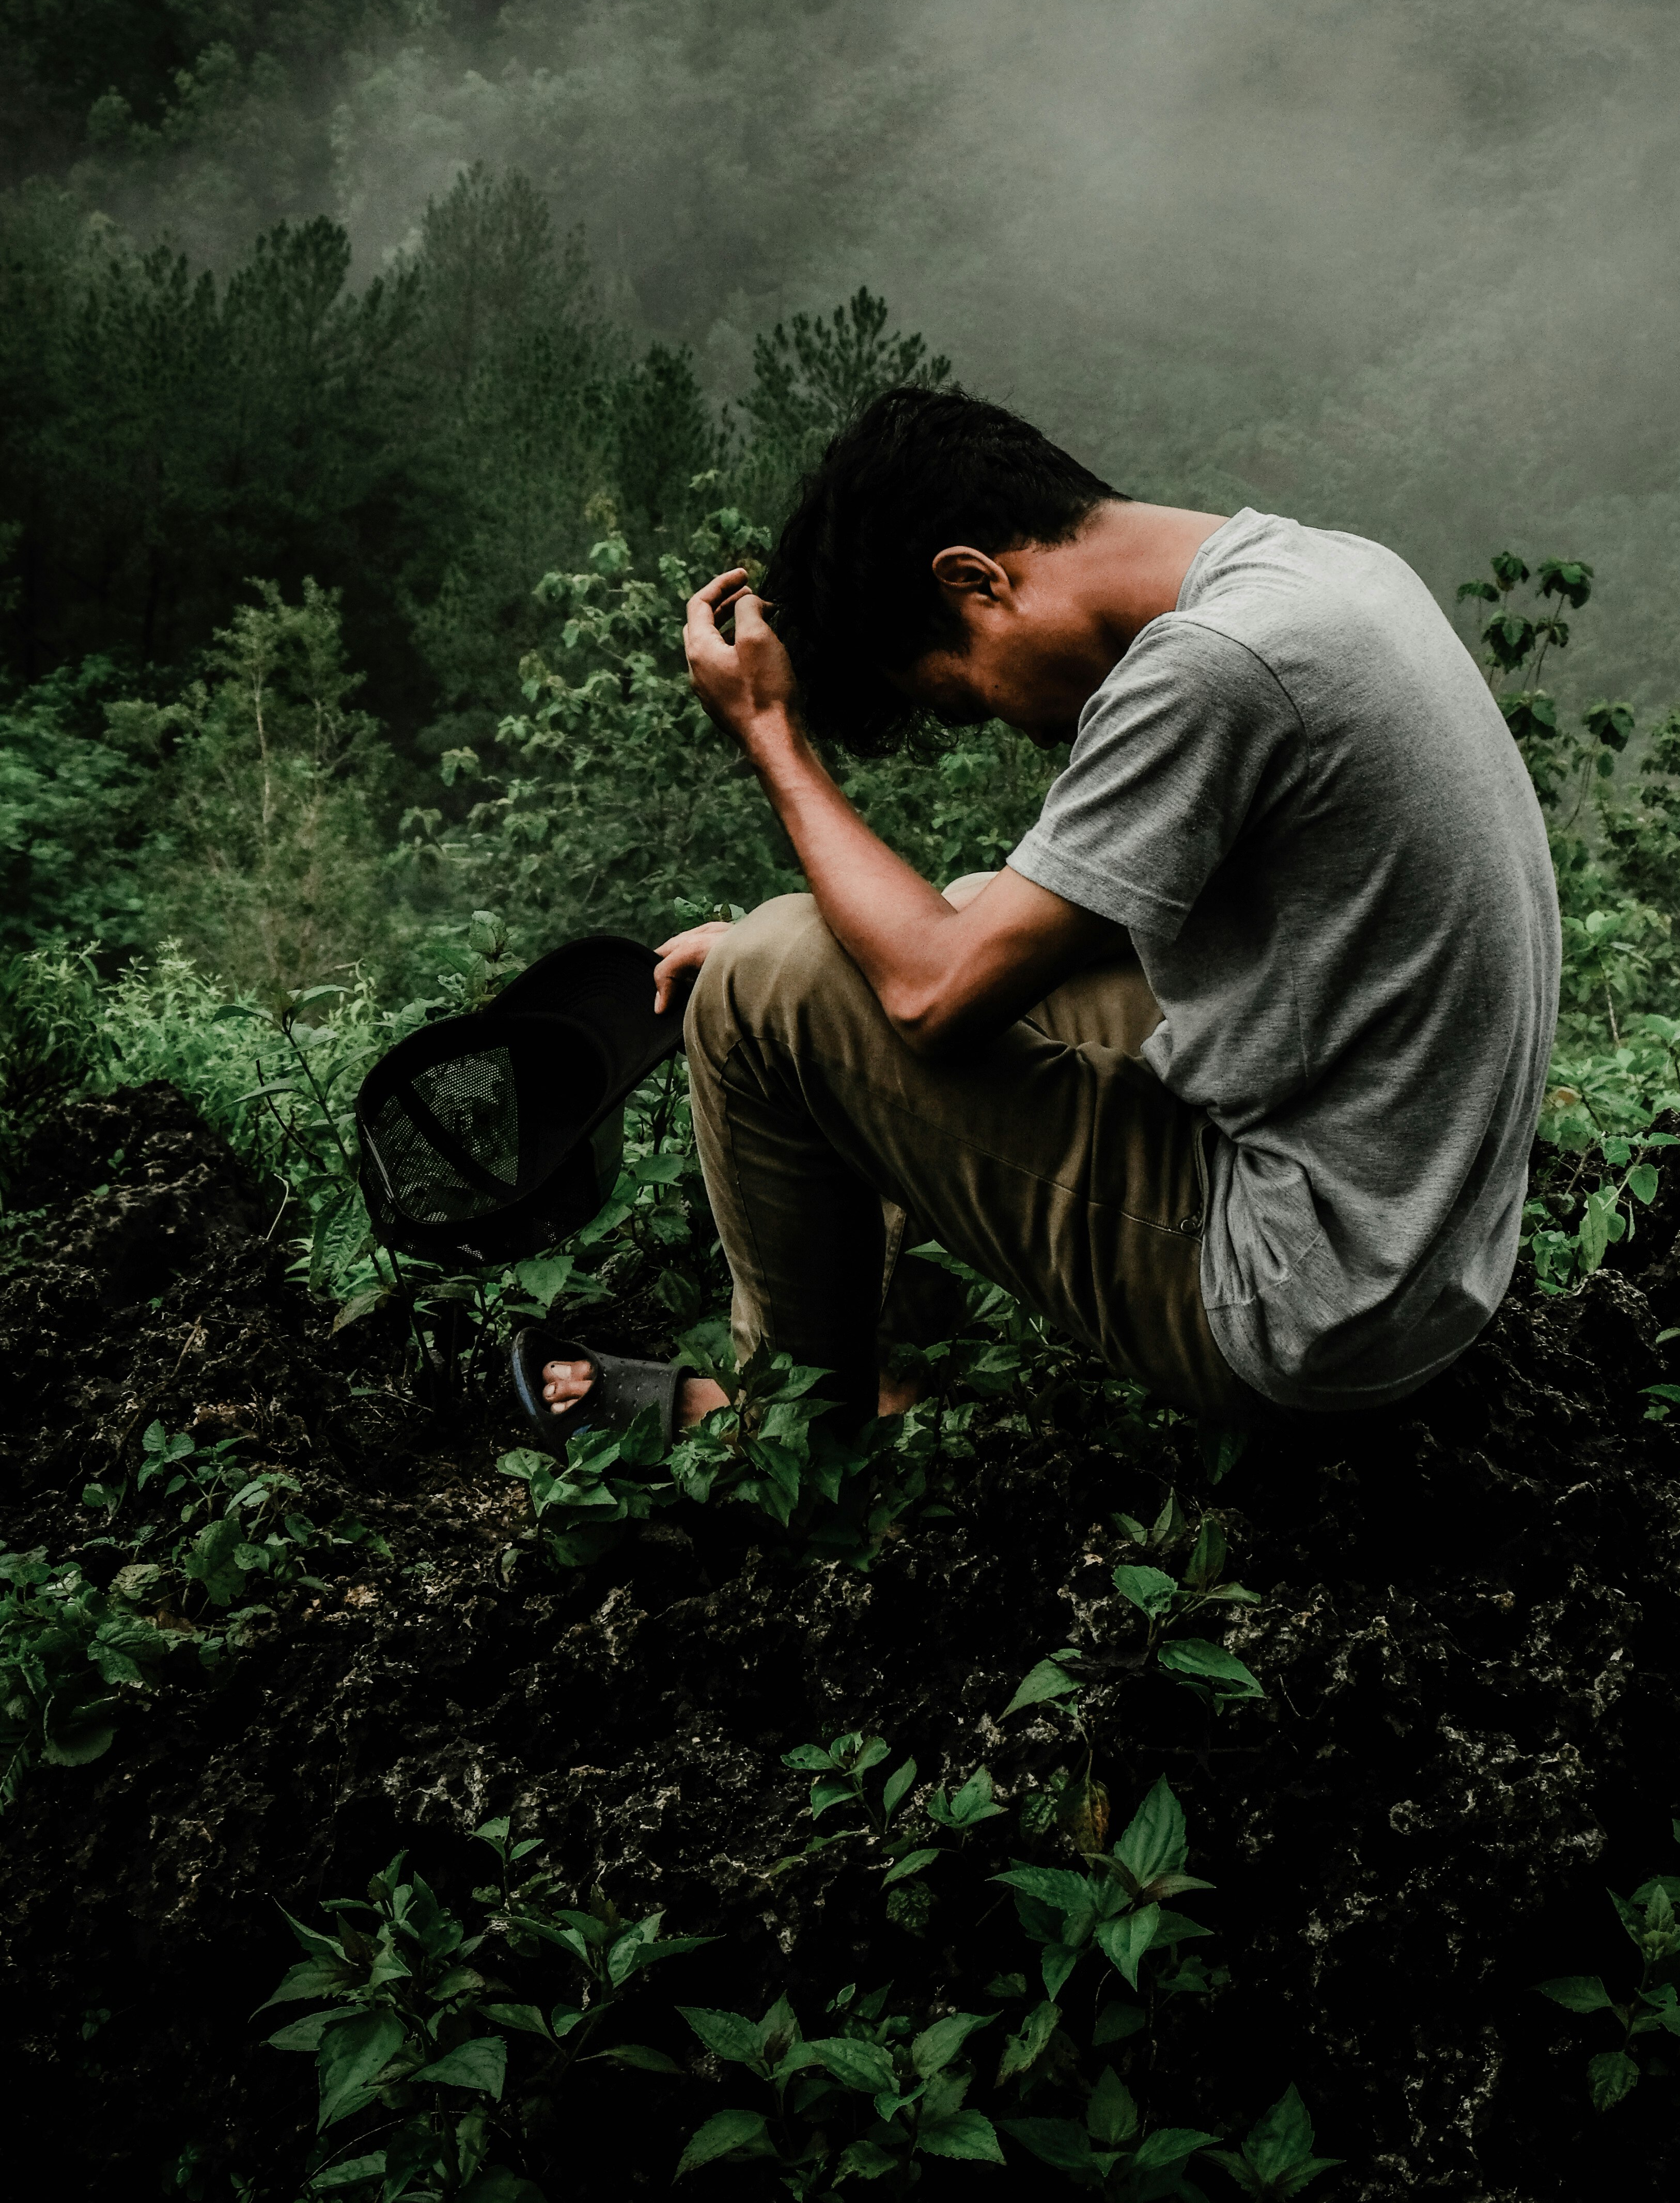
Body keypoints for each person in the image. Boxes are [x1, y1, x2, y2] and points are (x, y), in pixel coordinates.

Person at [540, 385, 1559, 1439]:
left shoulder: (1209, 673)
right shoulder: (1325, 572)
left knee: (773, 977)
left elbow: (935, 995)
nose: (1007, 728)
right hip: (1420, 1257)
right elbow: (1032, 928)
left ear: (975, 580)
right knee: (949, 917)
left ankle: (788, 1435)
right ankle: (880, 1351)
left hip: (1305, 1296)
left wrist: (770, 736)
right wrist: (839, 960)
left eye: (966, 697)